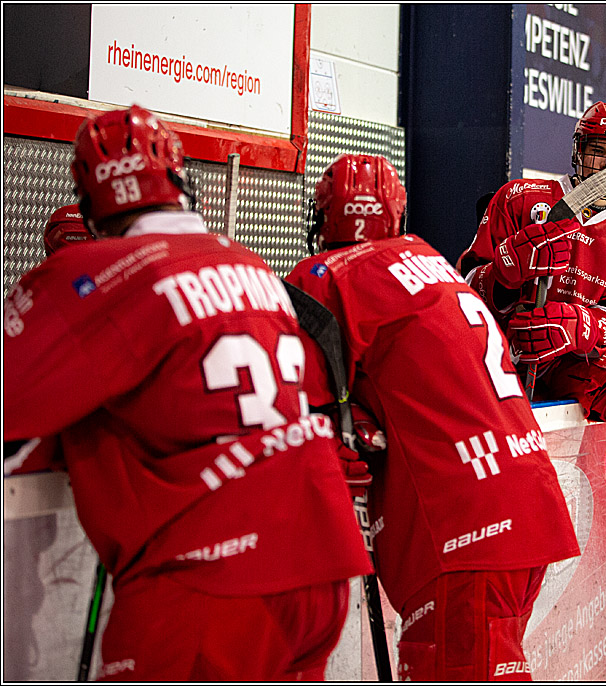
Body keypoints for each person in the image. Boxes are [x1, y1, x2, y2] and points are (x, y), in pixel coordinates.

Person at [3, 105, 372, 681]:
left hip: (211, 584)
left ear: (90, 200)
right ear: (179, 180)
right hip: (321, 571)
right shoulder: (254, 268)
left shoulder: (97, 272)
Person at [286, 153, 580, 680]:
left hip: (466, 530)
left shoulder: (323, 277)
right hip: (527, 502)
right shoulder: (430, 260)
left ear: (325, 218)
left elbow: (304, 410)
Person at [458, 101, 606, 615]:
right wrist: (509, 269)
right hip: (504, 350)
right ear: (577, 152)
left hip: (577, 357)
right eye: (597, 150)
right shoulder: (521, 198)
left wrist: (579, 324)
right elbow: (466, 288)